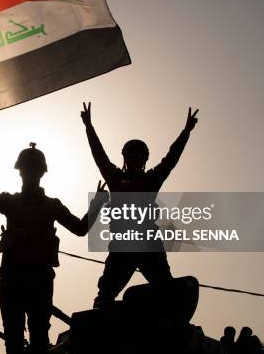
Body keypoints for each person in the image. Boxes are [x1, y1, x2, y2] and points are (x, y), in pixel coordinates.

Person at [0, 143, 106, 354]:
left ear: (40, 173)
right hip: (16, 279)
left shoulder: (48, 205)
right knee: (17, 342)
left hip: (36, 280)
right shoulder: (13, 202)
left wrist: (97, 205)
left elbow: (80, 229)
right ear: (22, 172)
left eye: (33, 170)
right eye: (28, 170)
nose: (30, 174)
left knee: (35, 342)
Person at [80, 102, 199, 307]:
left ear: (144, 159)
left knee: (167, 291)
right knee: (105, 295)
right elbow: (99, 156)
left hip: (148, 244)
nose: (134, 158)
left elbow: (171, 158)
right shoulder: (115, 179)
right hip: (122, 245)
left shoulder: (152, 180)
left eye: (139, 155)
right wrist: (89, 127)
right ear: (125, 158)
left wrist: (186, 132)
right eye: (131, 154)